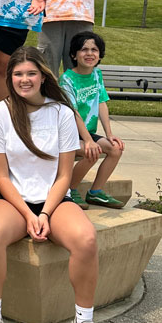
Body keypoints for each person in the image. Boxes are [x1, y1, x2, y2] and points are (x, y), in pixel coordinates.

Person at [0, 46, 101, 323]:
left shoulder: (61, 113)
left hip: (54, 199)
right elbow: (1, 177)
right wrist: (28, 215)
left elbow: (64, 175)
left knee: (86, 239)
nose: (24, 79)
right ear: (9, 77)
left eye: (31, 73)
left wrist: (45, 212)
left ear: (43, 75)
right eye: (18, 74)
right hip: (11, 199)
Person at [59, 32, 125, 209]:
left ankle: (95, 192)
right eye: (84, 49)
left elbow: (101, 102)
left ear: (100, 54)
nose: (89, 54)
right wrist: (88, 141)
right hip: (68, 134)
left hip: (87, 133)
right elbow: (74, 112)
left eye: (94, 50)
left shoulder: (97, 74)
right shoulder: (67, 79)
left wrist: (109, 134)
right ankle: (68, 190)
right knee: (92, 151)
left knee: (115, 149)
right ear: (74, 54)